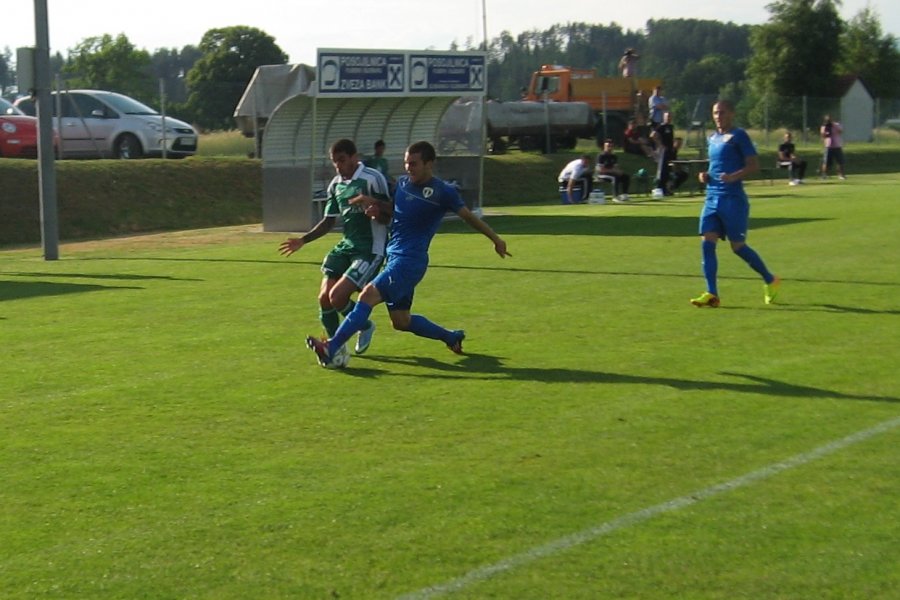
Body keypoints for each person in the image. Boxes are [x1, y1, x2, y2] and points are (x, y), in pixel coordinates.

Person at [306, 140, 511, 368]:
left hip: (409, 260)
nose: (408, 168)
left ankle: (332, 347)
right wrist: (374, 205)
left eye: (413, 164)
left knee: (366, 296)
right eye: (406, 163)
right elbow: (395, 209)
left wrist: (495, 239)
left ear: (429, 163)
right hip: (395, 257)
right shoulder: (403, 183)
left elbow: (469, 217)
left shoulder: (443, 192)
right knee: (401, 321)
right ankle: (451, 337)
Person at [279, 138, 391, 358]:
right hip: (346, 246)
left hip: (369, 249)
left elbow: (392, 210)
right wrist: (303, 240)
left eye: (342, 160)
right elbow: (329, 221)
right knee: (324, 298)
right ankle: (337, 349)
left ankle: (363, 326)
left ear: (354, 157)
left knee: (337, 297)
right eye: (334, 162)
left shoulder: (372, 178)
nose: (338, 165)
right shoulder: (336, 185)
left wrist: (377, 210)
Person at [691, 100, 780, 308]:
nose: (718, 116)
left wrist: (734, 176)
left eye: (722, 112)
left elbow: (753, 165)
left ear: (731, 114)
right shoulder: (712, 138)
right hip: (712, 197)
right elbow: (715, 165)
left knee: (738, 247)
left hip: (733, 200)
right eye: (715, 112)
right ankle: (711, 293)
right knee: (707, 242)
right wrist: (704, 175)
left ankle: (770, 279)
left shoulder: (739, 136)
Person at [651, 111, 676, 196]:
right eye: (667, 116)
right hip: (663, 151)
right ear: (664, 117)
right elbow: (653, 135)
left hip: (669, 151)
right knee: (662, 170)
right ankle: (658, 187)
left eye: (669, 116)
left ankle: (665, 189)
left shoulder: (671, 127)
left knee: (668, 170)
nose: (668, 118)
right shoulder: (661, 126)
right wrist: (660, 144)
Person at [819, 115, 846, 180]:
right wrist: (826, 129)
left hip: (837, 145)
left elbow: (840, 131)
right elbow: (822, 134)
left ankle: (841, 175)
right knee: (826, 162)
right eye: (827, 120)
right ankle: (824, 175)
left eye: (829, 120)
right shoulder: (824, 126)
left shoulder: (836, 124)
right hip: (828, 146)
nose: (829, 121)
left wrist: (833, 125)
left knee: (840, 161)